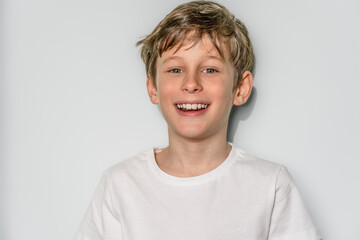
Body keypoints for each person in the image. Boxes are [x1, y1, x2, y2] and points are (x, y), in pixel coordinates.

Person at [75, 1, 321, 239]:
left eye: (210, 70)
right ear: (153, 88)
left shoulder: (271, 185)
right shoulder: (120, 185)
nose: (191, 83)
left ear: (240, 88)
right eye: (175, 70)